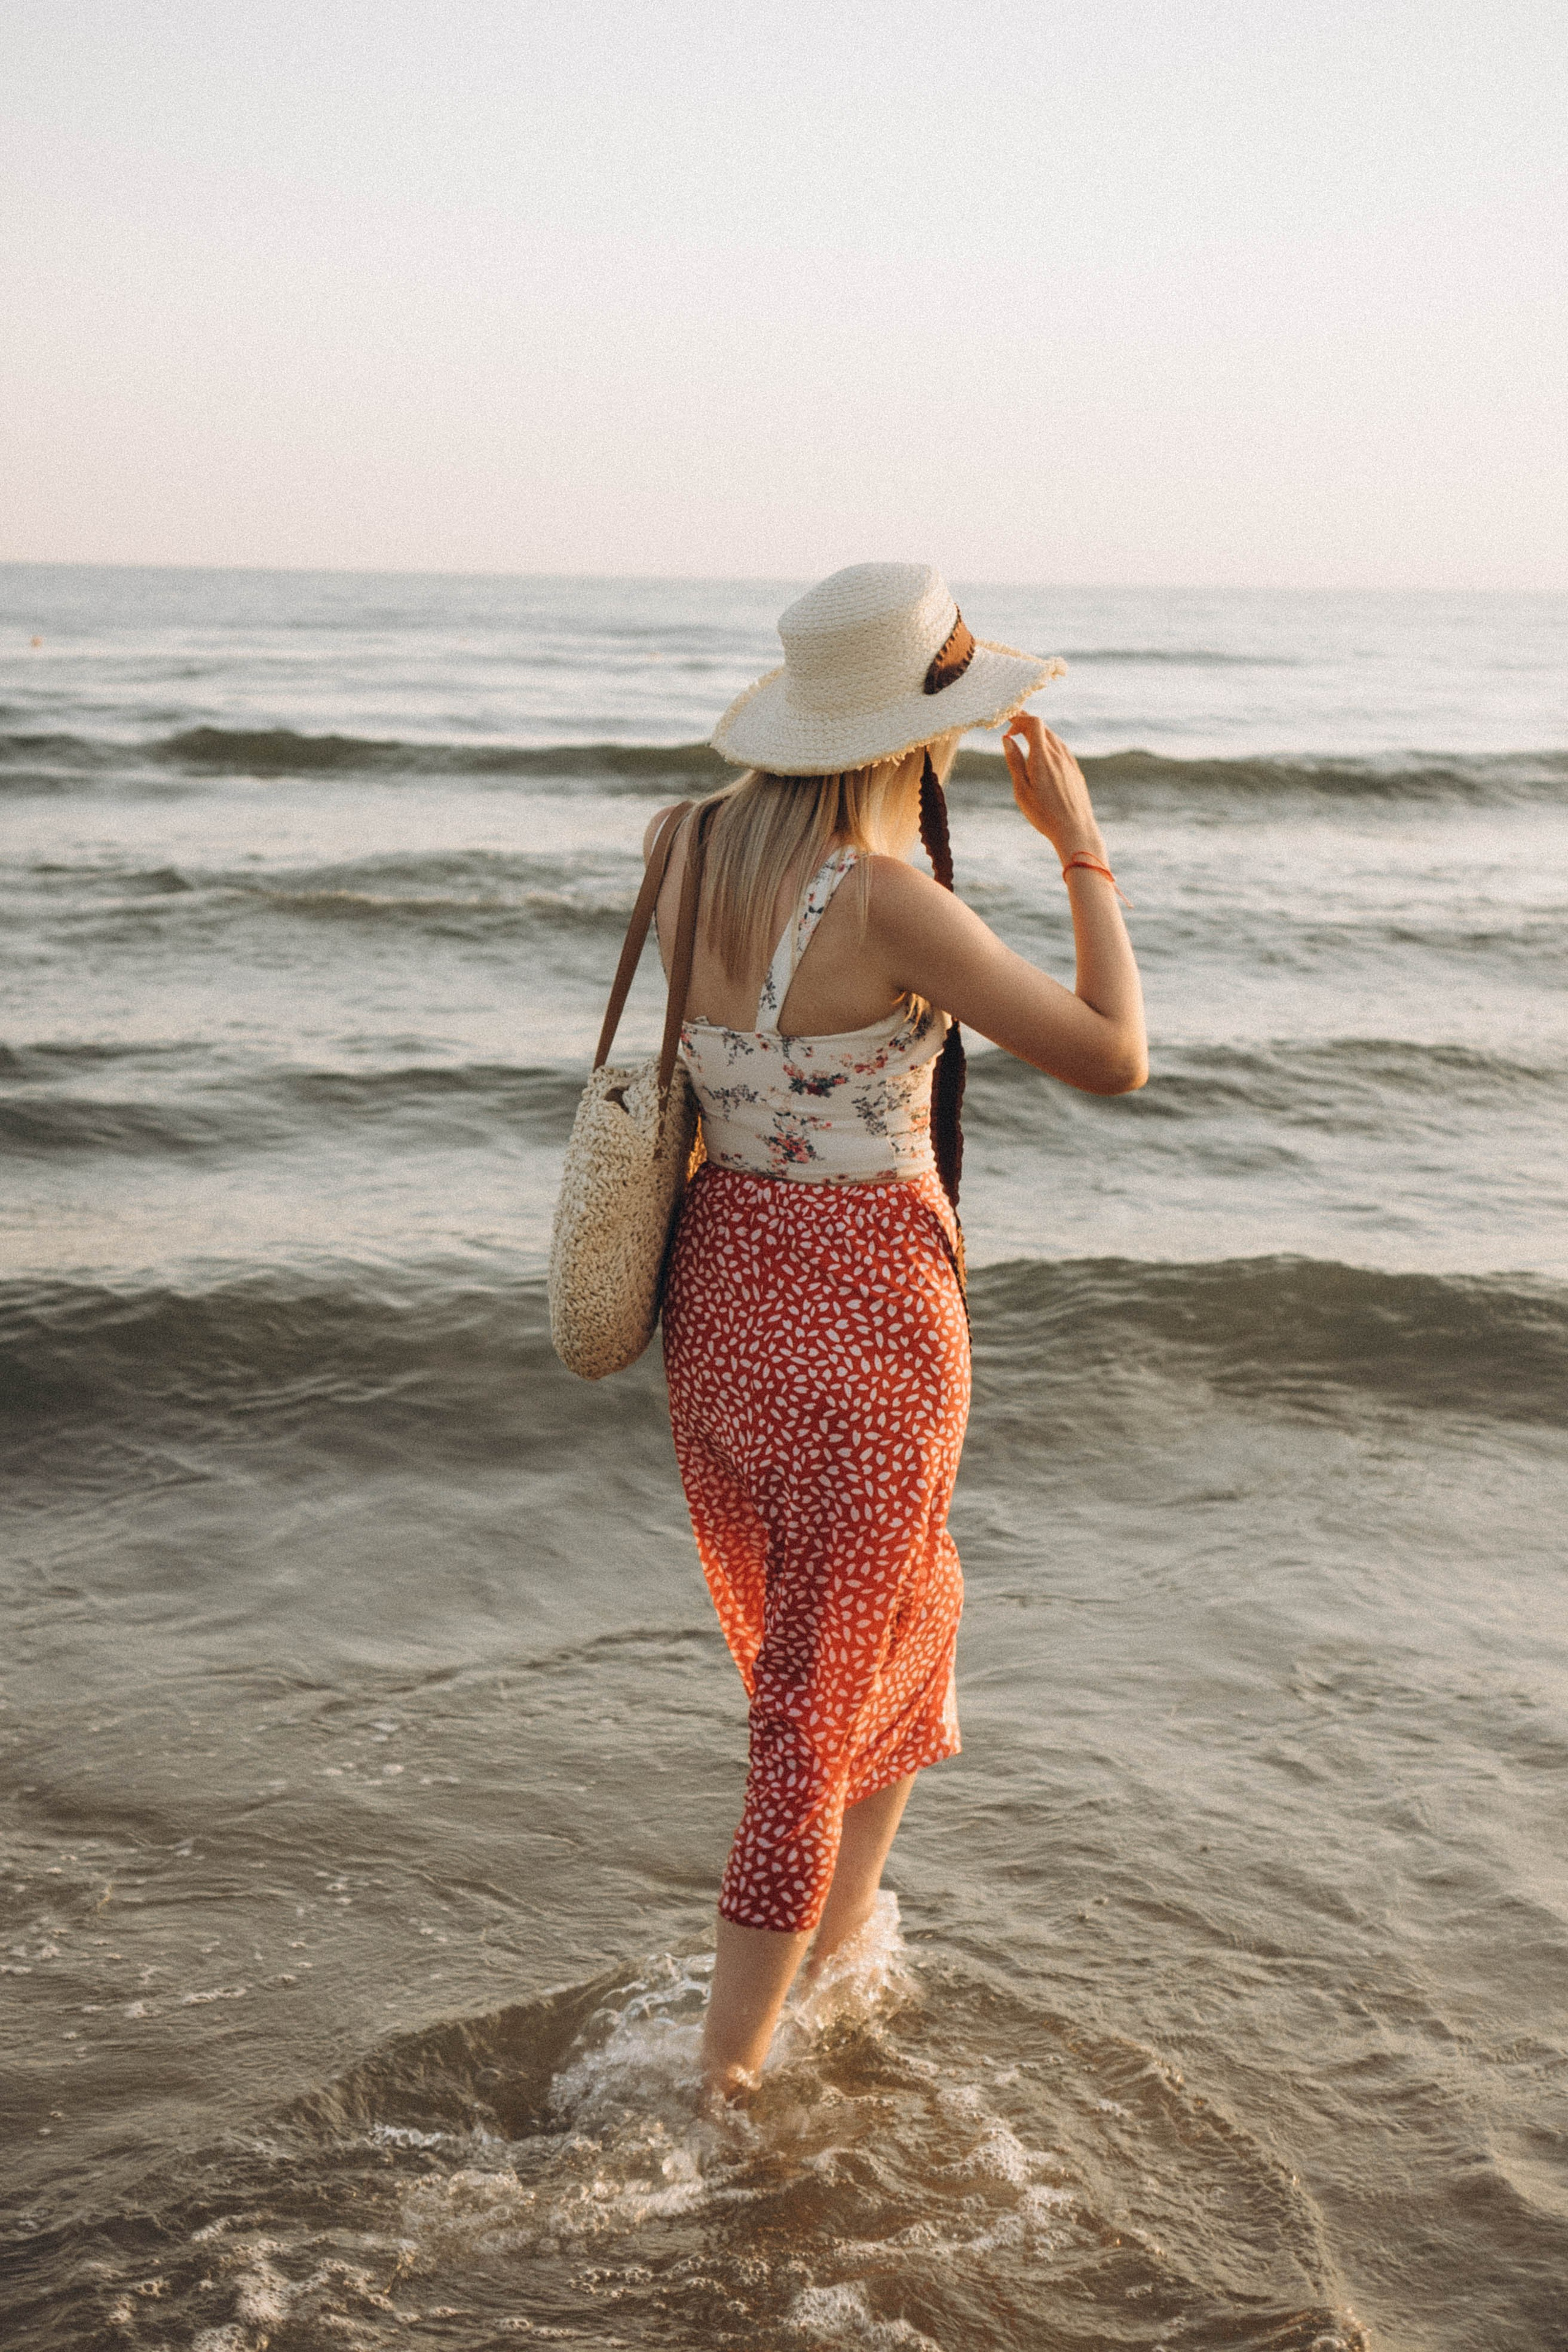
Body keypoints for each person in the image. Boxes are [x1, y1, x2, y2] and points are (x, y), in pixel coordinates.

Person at [646, 563, 1146, 2103]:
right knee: (816, 1692)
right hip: (864, 1311)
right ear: (910, 730)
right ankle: (726, 2076)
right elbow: (1111, 1057)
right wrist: (1082, 859)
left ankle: (844, 1951)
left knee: (885, 1626)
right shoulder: (885, 901)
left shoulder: (682, 845)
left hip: (720, 1291)